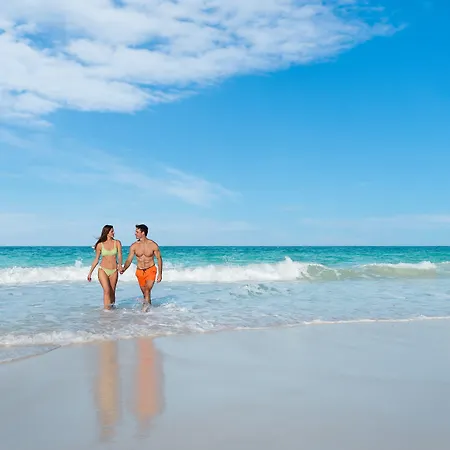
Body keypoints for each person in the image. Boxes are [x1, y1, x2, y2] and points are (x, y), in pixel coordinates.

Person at [121, 224, 162, 309]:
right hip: (139, 271)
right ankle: (149, 310)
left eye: (137, 232)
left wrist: (160, 274)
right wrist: (124, 268)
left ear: (143, 233)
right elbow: (129, 259)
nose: (135, 233)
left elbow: (159, 259)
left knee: (147, 290)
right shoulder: (134, 246)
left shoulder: (153, 245)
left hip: (151, 269)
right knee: (145, 293)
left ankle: (144, 311)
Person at [87, 225, 123, 310]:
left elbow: (120, 255)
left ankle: (112, 310)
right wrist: (90, 273)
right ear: (107, 232)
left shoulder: (117, 243)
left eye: (113, 231)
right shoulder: (100, 245)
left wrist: (120, 266)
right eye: (112, 231)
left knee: (112, 291)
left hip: (114, 270)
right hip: (103, 270)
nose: (114, 233)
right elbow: (96, 259)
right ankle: (107, 311)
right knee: (107, 290)